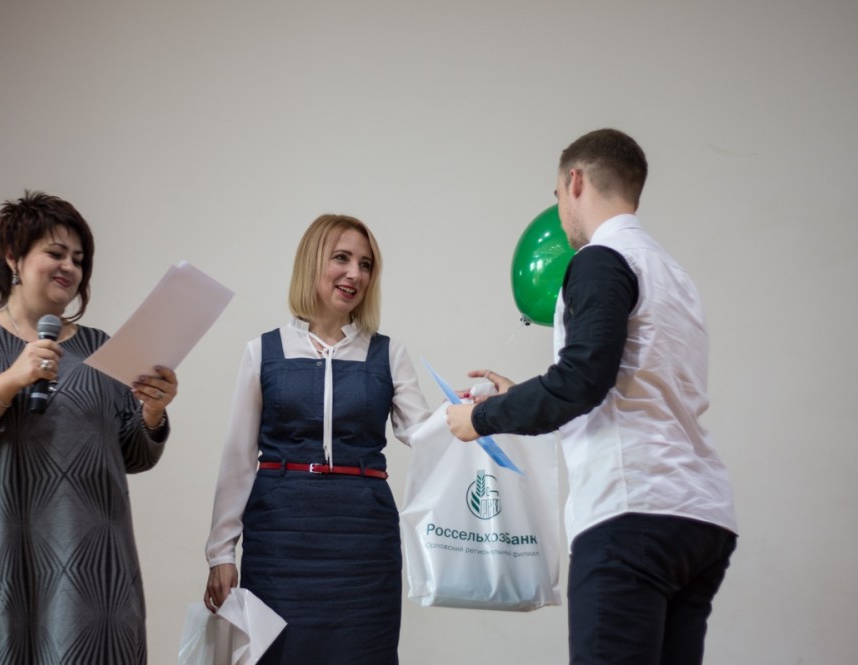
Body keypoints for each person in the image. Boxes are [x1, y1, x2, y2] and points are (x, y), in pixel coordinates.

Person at [447, 128, 737, 665]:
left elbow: (582, 381)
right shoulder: (674, 275)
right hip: (701, 519)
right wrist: (520, 394)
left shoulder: (602, 258)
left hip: (633, 513)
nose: (560, 212)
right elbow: (631, 384)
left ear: (575, 182)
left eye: (558, 194)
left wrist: (480, 419)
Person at [0, 191, 178, 665]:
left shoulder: (103, 350)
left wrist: (152, 413)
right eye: (55, 253)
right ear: (12, 256)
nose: (69, 267)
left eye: (78, 259)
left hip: (84, 569)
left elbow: (132, 455)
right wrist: (13, 378)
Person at [203, 214, 431, 664]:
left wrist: (475, 415)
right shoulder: (262, 352)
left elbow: (424, 433)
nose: (355, 274)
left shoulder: (389, 354)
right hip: (280, 540)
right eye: (341, 258)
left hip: (363, 543)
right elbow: (238, 458)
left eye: (365, 265)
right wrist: (220, 552)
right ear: (312, 262)